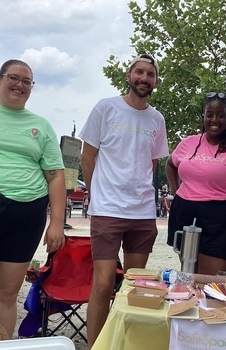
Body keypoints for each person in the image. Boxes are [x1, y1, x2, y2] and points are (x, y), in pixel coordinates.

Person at [79, 54, 169, 349]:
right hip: (108, 210)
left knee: (134, 287)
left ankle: (124, 344)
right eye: (139, 72)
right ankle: (96, 346)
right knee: (103, 285)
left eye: (151, 74)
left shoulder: (157, 118)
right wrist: (96, 194)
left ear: (155, 81)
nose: (144, 78)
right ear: (129, 75)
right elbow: (87, 157)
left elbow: (153, 163)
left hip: (142, 213)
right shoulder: (106, 108)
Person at [0, 59, 66, 339]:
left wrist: (57, 223)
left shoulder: (41, 125)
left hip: (27, 215)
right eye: (14, 78)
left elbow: (56, 175)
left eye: (27, 81)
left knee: (7, 292)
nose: (20, 85)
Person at [166, 92, 226, 275]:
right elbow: (170, 164)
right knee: (188, 278)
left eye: (221, 115)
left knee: (212, 287)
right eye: (209, 114)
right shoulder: (188, 143)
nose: (214, 119)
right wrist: (176, 192)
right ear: (204, 116)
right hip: (185, 216)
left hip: (219, 222)